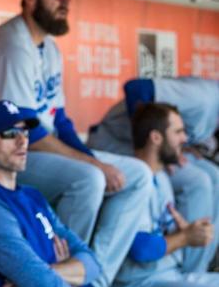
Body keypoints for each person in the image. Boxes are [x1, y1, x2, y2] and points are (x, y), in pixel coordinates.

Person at [0, 0, 152, 287]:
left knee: (136, 174)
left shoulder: (48, 47)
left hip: (29, 149)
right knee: (88, 179)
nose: (66, 2)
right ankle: (58, 272)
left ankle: (94, 278)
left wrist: (93, 157)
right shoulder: (12, 45)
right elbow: (25, 132)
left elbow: (59, 119)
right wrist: (94, 166)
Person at [0, 100, 216, 287]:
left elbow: (92, 264)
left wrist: (46, 273)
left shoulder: (32, 195)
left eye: (25, 133)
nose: (22, 141)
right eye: (9, 133)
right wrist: (63, 273)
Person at [106, 102, 219, 287]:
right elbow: (140, 248)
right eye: (177, 132)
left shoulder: (163, 176)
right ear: (156, 138)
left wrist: (184, 230)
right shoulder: (133, 180)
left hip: (169, 276)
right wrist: (185, 238)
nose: (184, 139)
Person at [88, 76, 219, 272]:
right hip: (113, 144)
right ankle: (190, 271)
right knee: (198, 181)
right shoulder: (203, 98)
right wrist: (151, 145)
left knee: (213, 175)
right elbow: (136, 88)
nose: (184, 137)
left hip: (150, 146)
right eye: (179, 134)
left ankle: (196, 267)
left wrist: (171, 147)